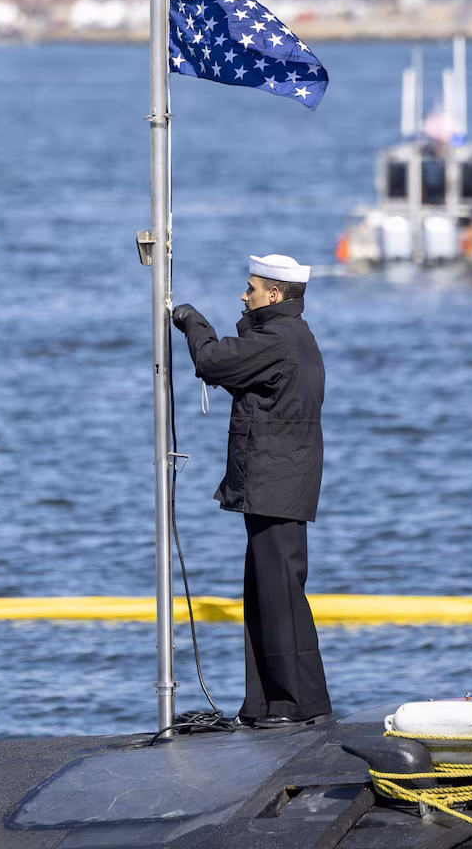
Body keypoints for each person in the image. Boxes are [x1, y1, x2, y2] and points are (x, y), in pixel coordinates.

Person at [171, 253, 331, 729]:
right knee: (267, 590)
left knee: (278, 592)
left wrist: (188, 318)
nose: (245, 296)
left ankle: (294, 703)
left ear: (275, 295)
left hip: (276, 481)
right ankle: (267, 704)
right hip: (278, 481)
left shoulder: (279, 339)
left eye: (252, 289)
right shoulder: (287, 336)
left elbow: (212, 360)